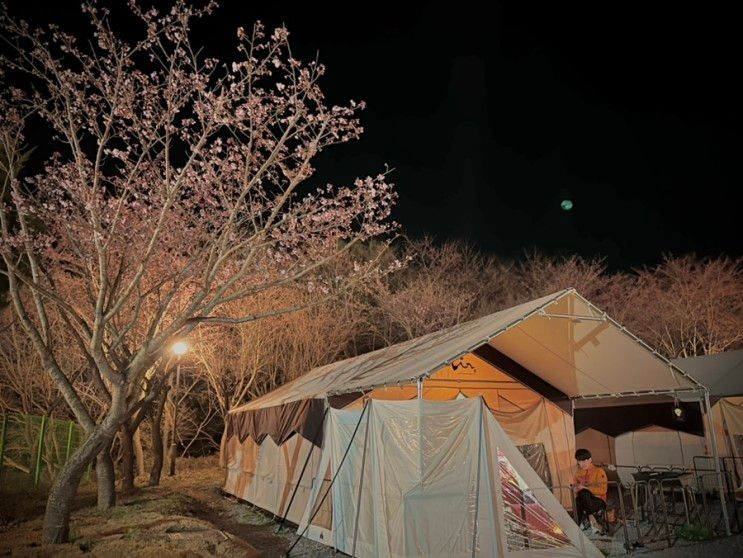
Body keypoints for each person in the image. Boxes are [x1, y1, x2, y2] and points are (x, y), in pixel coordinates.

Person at [573, 448, 608, 535]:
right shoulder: (578, 474)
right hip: (585, 501)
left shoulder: (599, 471)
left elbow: (603, 490)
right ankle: (591, 520)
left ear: (590, 460)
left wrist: (587, 488)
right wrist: (575, 489)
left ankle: (583, 522)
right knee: (579, 498)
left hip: (598, 501)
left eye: (585, 460)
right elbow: (575, 487)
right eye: (580, 461)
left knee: (584, 492)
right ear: (578, 462)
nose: (583, 463)